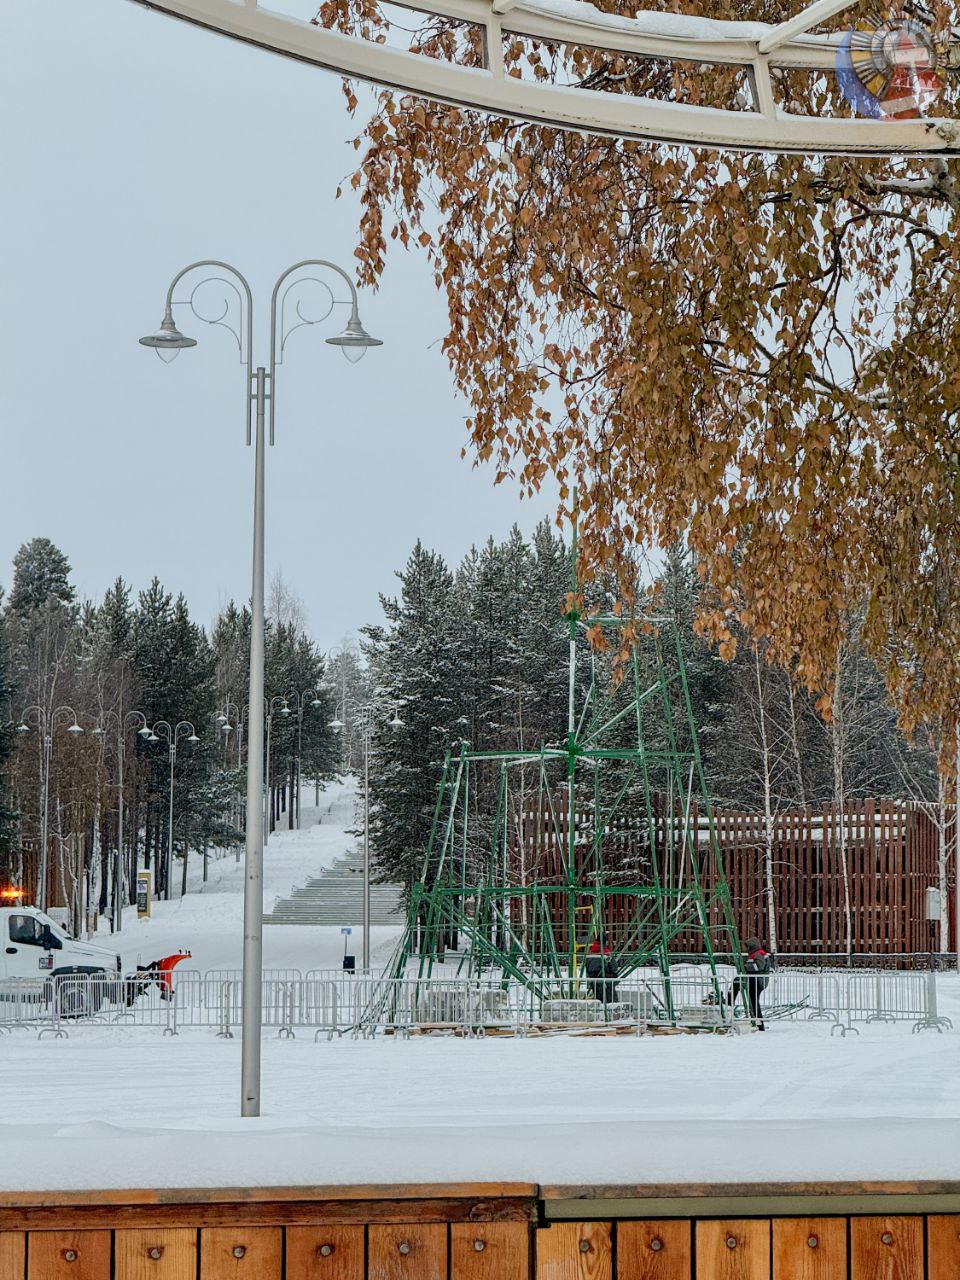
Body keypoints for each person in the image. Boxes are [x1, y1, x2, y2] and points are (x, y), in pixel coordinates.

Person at [728, 937, 772, 1029]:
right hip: (756, 980)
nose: (746, 949)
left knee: (753, 1002)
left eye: (747, 946)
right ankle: (759, 1025)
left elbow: (758, 967)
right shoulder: (756, 954)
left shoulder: (758, 954)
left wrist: (745, 967)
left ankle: (729, 1001)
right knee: (753, 1002)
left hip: (757, 981)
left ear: (752, 946)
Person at [583, 938, 619, 1005]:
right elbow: (614, 968)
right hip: (607, 981)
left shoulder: (590, 954)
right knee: (610, 1000)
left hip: (594, 980)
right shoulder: (606, 953)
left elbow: (589, 968)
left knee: (598, 999)